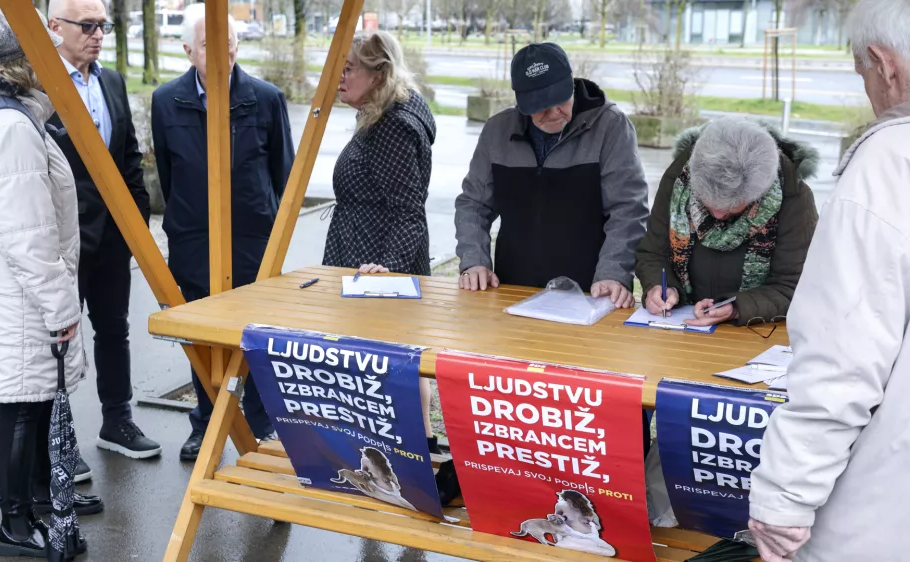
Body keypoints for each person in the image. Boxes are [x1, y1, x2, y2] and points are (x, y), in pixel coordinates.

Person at [749, 1, 910, 559]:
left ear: (884, 65)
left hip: (883, 513)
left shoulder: (891, 161)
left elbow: (842, 361)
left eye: (861, 73)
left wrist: (783, 501)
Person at [0, 7, 90, 556]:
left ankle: (30, 511)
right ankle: (15, 526)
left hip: (0, 289)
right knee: (23, 408)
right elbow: (27, 234)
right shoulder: (7, 128)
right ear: (16, 63)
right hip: (19, 295)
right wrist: (60, 309)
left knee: (24, 406)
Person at [152, 4, 295, 461]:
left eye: (230, 45)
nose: (223, 54)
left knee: (253, 338)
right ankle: (207, 423)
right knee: (201, 336)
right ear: (188, 49)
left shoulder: (264, 98)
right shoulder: (166, 101)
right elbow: (169, 175)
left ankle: (258, 424)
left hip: (251, 241)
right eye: (211, 45)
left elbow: (284, 175)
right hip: (193, 239)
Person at [47, 0, 162, 472]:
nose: (98, 34)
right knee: (59, 340)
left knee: (114, 330)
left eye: (103, 25)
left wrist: (139, 229)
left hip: (113, 238)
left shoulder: (111, 80)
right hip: (62, 241)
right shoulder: (40, 86)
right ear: (55, 27)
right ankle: (61, 440)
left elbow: (130, 159)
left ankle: (118, 421)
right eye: (87, 26)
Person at [455, 42, 648, 308]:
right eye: (542, 107)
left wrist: (613, 274)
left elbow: (628, 210)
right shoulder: (497, 131)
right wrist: (474, 260)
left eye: (561, 100)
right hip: (512, 289)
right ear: (521, 102)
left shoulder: (611, 127)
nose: (555, 112)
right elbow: (473, 204)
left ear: (571, 83)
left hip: (590, 294)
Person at [321, 31, 439, 452]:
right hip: (366, 260)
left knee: (391, 369)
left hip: (375, 269)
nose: (339, 76)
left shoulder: (393, 126)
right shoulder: (382, 110)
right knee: (396, 368)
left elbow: (409, 211)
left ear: (379, 72)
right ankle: (408, 448)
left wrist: (384, 268)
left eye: (348, 68)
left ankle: (411, 453)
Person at [636, 118, 819, 327]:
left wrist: (736, 308)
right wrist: (660, 287)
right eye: (706, 202)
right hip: (680, 327)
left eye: (731, 208)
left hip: (756, 335)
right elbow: (653, 253)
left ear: (759, 194)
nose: (717, 214)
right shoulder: (679, 179)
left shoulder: (794, 198)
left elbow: (792, 285)